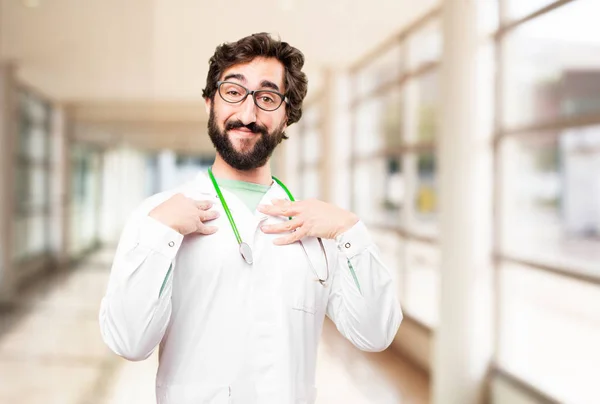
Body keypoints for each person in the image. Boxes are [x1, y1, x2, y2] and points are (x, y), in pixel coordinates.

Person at [99, 32, 402, 404]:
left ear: (286, 115)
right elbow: (129, 341)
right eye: (233, 92)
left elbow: (375, 333)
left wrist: (350, 230)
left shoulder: (319, 228)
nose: (248, 113)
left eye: (267, 97)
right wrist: (158, 234)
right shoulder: (156, 217)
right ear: (209, 102)